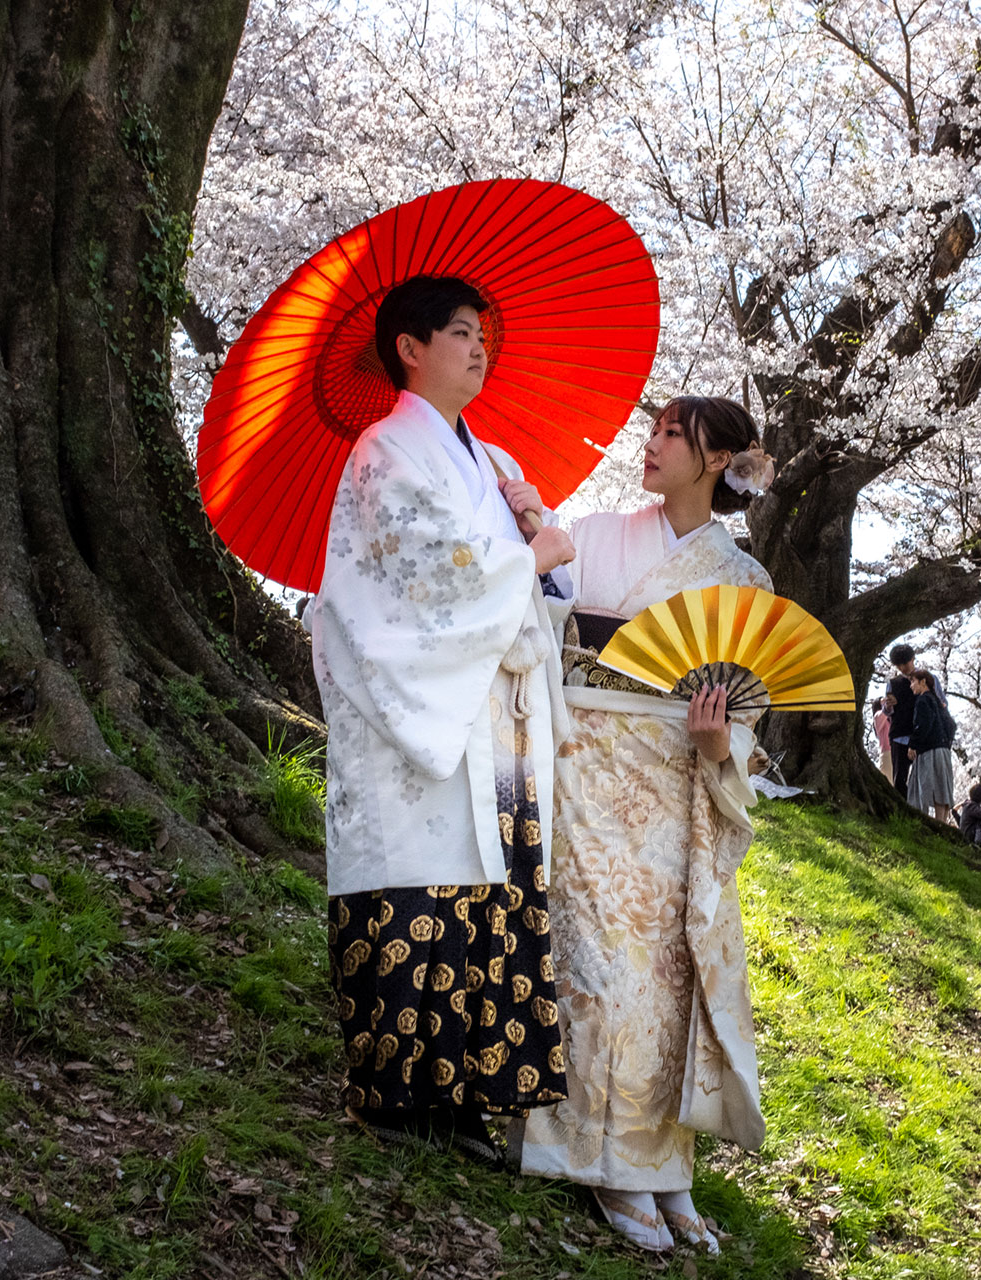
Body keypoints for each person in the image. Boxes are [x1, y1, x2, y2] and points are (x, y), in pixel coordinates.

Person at [310, 276, 578, 1158]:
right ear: (409, 349)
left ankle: (468, 1090)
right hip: (419, 712)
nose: (480, 347)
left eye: (483, 334)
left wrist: (535, 538)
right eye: (460, 332)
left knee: (493, 890)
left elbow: (528, 578)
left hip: (494, 710)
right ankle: (394, 1092)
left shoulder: (492, 460)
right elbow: (422, 579)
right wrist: (527, 551)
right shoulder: (385, 451)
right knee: (418, 882)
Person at [519, 396, 775, 1253]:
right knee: (600, 968)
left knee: (668, 977)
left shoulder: (744, 582)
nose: (653, 444)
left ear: (718, 460)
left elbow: (748, 708)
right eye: (655, 430)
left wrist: (716, 740)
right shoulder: (593, 532)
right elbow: (535, 623)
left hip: (674, 785)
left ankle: (664, 1169)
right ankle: (601, 1163)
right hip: (584, 769)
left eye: (674, 435)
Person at [905, 670, 956, 822]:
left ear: (923, 682)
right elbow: (952, 725)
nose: (911, 686)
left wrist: (913, 744)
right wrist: (946, 742)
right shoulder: (938, 702)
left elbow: (923, 724)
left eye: (913, 681)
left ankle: (926, 822)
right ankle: (942, 823)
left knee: (926, 786)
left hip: (930, 750)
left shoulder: (922, 700)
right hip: (943, 749)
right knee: (942, 787)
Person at [885, 644, 917, 796]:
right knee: (899, 778)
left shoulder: (925, 679)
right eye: (899, 665)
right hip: (899, 735)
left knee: (920, 778)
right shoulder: (893, 683)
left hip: (919, 734)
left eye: (905, 663)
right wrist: (888, 705)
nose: (903, 667)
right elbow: (887, 711)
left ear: (913, 659)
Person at [872, 696, 895, 781]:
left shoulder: (890, 718)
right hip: (887, 753)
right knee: (889, 780)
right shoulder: (877, 716)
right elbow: (885, 711)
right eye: (883, 702)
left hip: (894, 751)